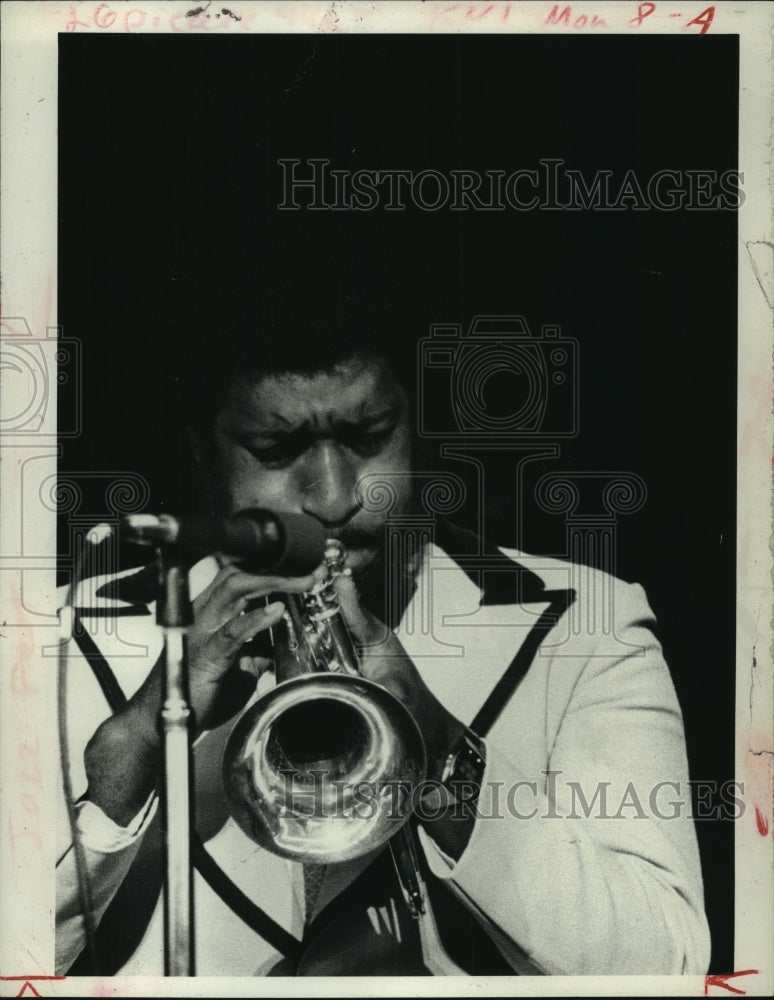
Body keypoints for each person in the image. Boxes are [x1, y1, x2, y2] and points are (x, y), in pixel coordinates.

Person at [55, 320, 712, 978]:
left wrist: (442, 748)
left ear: (415, 426)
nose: (335, 498)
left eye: (369, 437)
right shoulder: (67, 631)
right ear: (203, 451)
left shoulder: (587, 625)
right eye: (277, 450)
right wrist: (132, 748)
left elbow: (668, 966)